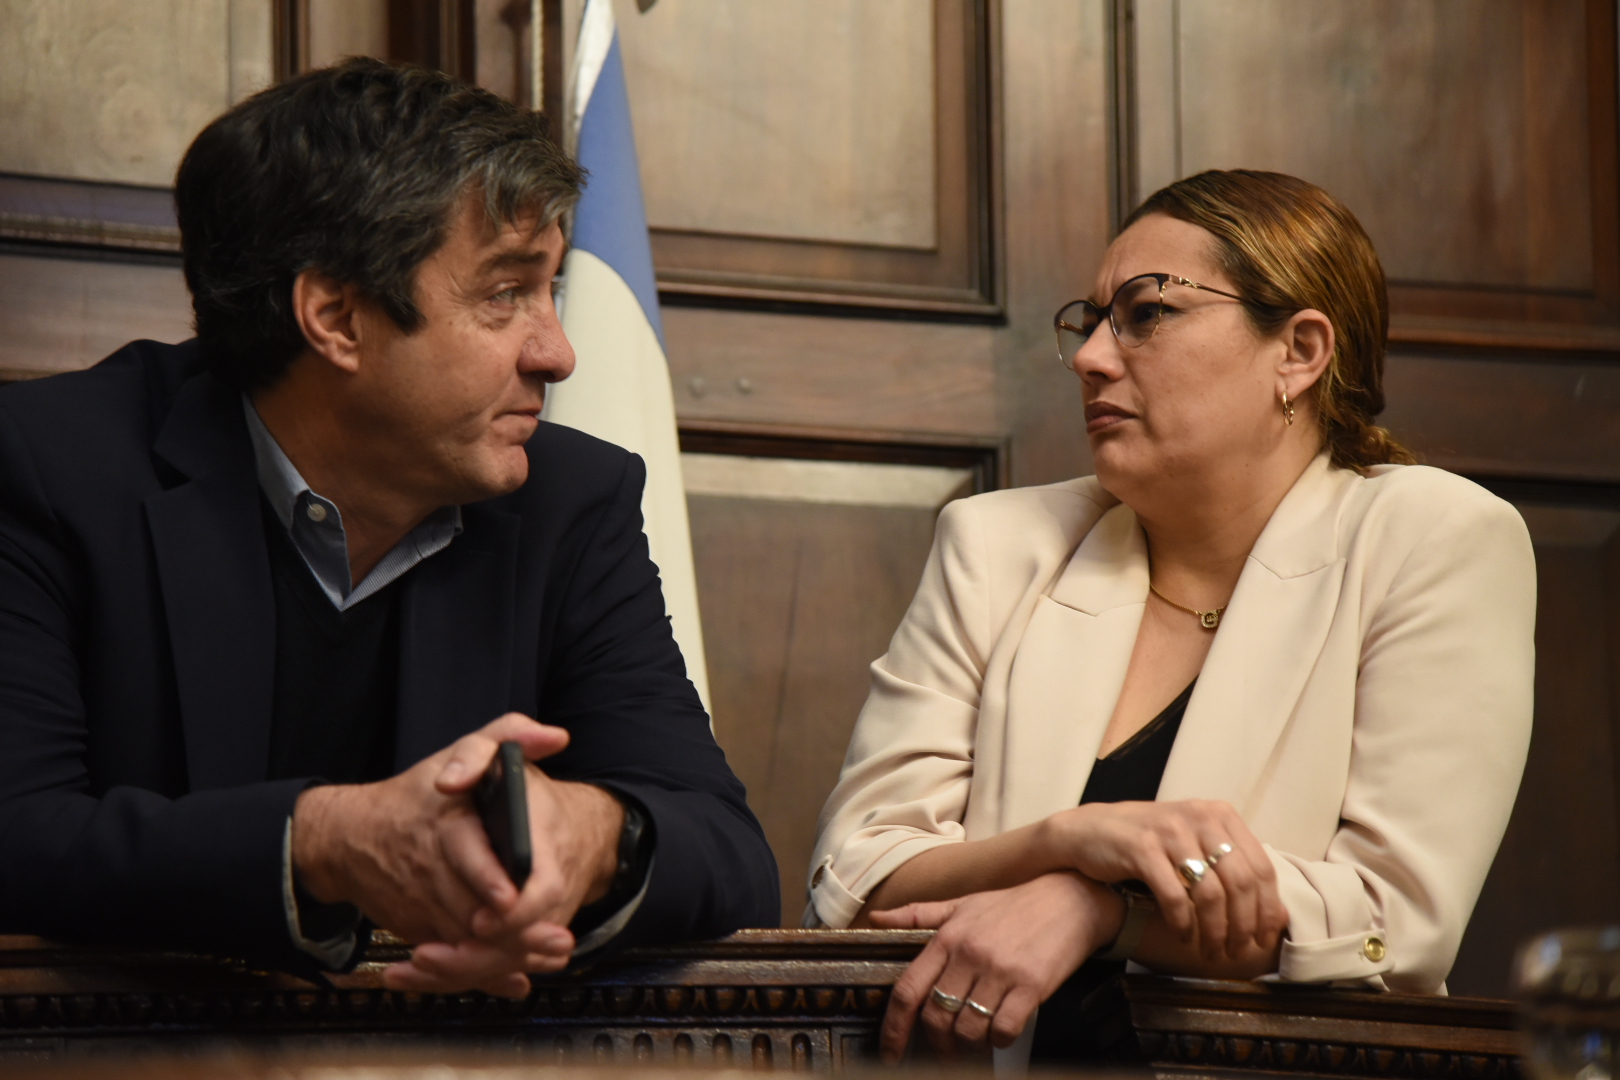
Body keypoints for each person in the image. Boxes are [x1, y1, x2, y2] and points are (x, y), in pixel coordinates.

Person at [0, 58, 778, 997]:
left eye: (553, 292)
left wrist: (596, 836)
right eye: (504, 294)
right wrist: (327, 843)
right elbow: (19, 834)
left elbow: (730, 851)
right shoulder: (50, 471)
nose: (558, 353)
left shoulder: (572, 502)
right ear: (336, 317)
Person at [806, 170, 1535, 1062]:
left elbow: (1395, 920)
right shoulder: (996, 544)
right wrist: (1075, 839)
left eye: (1147, 313)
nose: (1091, 358)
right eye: (1091, 322)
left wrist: (1098, 908)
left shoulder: (1434, 537)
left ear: (1300, 351)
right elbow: (854, 878)